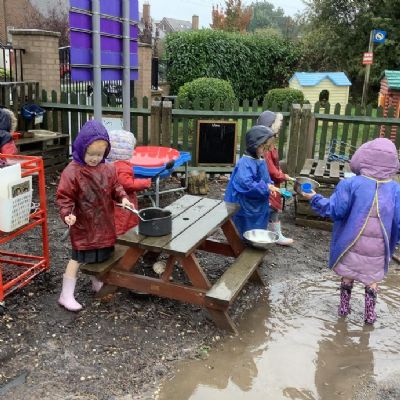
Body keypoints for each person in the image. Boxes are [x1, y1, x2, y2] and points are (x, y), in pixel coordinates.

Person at [301, 138, 400, 324]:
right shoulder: (396, 190)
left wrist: (314, 198)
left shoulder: (351, 184)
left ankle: (343, 311)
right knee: (371, 282)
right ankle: (370, 317)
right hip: (378, 249)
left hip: (351, 243)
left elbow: (334, 210)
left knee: (348, 276)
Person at [56, 120, 133, 311]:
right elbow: (64, 196)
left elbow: (116, 187)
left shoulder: (108, 168)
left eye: (99, 154)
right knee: (78, 257)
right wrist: (67, 214)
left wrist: (123, 198)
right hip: (83, 222)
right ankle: (66, 294)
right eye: (91, 154)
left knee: (100, 254)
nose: (95, 158)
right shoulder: (72, 171)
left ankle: (96, 281)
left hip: (103, 220)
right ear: (81, 148)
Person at [224, 125, 279, 239]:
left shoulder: (260, 159)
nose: (267, 150)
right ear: (255, 145)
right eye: (265, 147)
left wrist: (270, 185)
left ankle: (253, 242)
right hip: (244, 204)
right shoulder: (245, 162)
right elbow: (246, 184)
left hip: (257, 203)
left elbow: (265, 178)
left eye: (268, 147)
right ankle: (242, 244)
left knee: (257, 227)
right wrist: (265, 187)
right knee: (244, 229)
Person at [106, 129, 151, 235]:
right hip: (123, 201)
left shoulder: (110, 164)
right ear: (126, 151)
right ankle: (122, 242)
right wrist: (145, 183)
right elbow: (127, 184)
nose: (134, 152)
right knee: (122, 221)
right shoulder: (121, 167)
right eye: (132, 149)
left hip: (114, 200)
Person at [257, 110, 293, 245]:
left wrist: (282, 174)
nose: (280, 127)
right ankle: (260, 233)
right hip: (268, 183)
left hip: (274, 184)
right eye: (279, 124)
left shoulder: (271, 144)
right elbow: (271, 171)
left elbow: (275, 166)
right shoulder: (264, 148)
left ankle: (277, 235)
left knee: (274, 209)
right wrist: (283, 176)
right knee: (268, 208)